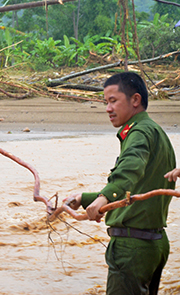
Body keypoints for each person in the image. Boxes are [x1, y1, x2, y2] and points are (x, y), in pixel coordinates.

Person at [65, 72, 176, 294]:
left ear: (135, 100)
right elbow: (136, 189)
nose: (107, 108)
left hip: (132, 247)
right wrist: (83, 199)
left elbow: (129, 170)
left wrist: (104, 198)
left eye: (113, 101)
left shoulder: (138, 133)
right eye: (106, 102)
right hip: (155, 244)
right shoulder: (156, 132)